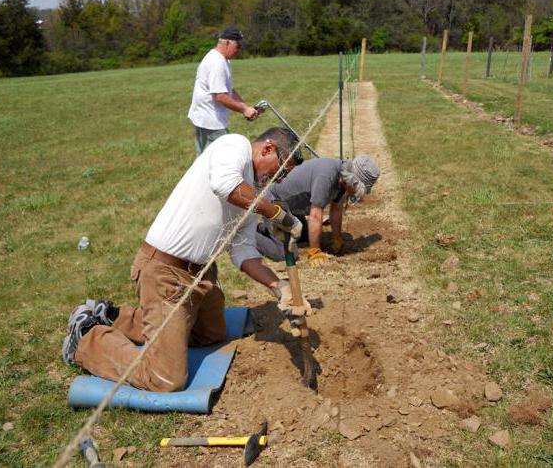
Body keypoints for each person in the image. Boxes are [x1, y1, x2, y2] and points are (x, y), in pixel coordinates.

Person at [62, 127, 311, 393]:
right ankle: (87, 338)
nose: (280, 179)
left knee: (210, 336)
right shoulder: (234, 145)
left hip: (201, 277)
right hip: (165, 273)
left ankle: (111, 316)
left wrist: (280, 288)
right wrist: (276, 214)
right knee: (166, 378)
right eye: (282, 170)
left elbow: (244, 252)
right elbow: (224, 185)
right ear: (267, 149)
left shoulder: (251, 197)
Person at [256, 155, 380, 266]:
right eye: (358, 188)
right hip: (273, 204)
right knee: (286, 254)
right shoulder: (327, 176)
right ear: (352, 180)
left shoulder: (342, 179)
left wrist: (337, 237)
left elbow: (336, 209)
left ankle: (263, 229)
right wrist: (315, 251)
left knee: (303, 235)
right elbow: (315, 215)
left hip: (292, 209)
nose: (356, 193)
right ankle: (247, 236)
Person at [187, 26, 261, 155]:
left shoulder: (224, 60)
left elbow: (228, 89)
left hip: (206, 118)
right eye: (238, 46)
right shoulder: (217, 62)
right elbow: (220, 96)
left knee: (207, 158)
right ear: (227, 43)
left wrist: (245, 106)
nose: (239, 50)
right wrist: (244, 110)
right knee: (223, 157)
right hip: (210, 122)